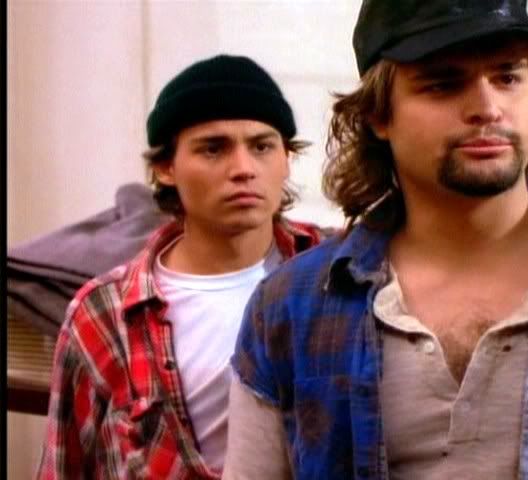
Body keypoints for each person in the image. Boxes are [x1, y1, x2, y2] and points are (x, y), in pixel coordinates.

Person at [223, 1, 528, 479]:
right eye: (443, 84)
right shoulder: (291, 307)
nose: (487, 107)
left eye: (507, 76)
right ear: (378, 115)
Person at [37, 54, 329, 479]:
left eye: (262, 146)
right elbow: (63, 466)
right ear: (165, 167)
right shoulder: (104, 315)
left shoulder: (337, 272)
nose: (243, 169)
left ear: (287, 158)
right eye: (214, 148)